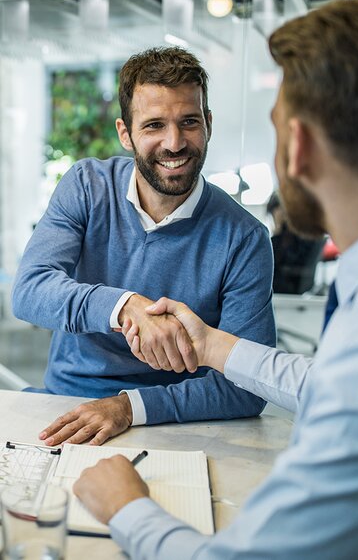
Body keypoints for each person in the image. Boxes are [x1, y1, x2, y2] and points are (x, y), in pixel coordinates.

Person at [73, 0, 358, 558]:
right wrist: (212, 344)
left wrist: (126, 508)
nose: (174, 142)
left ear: (300, 146)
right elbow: (329, 385)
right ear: (126, 133)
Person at [12, 47, 275, 446]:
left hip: (173, 417)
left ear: (208, 123)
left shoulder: (245, 238)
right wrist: (126, 307)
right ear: (125, 132)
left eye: (189, 121)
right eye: (154, 125)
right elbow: (30, 291)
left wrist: (129, 407)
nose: (174, 143)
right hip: (65, 404)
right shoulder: (87, 186)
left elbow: (248, 386)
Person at [267, 190, 325, 294]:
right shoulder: (285, 238)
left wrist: (278, 232)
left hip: (288, 290)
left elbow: (274, 265)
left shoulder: (302, 240)